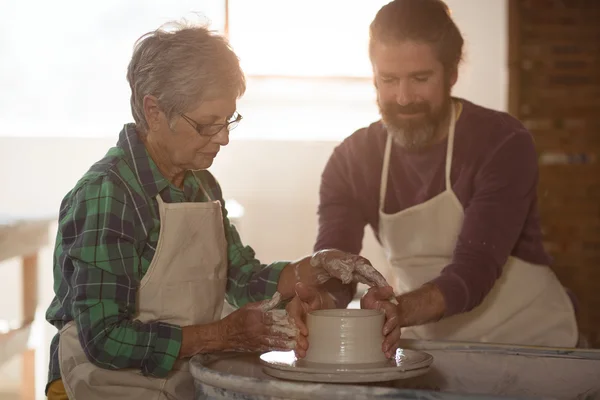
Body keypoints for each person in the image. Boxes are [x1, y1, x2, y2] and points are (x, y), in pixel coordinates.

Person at [44, 22, 390, 400]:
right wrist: (223, 335)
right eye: (208, 124)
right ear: (154, 111)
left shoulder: (201, 186)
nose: (223, 137)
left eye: (229, 120)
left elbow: (242, 279)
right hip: (95, 386)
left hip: (176, 384)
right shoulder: (108, 195)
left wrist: (317, 267)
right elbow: (105, 339)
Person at [316, 0, 579, 348]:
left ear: (452, 73)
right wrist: (321, 301)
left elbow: (475, 267)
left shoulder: (502, 143)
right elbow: (337, 264)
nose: (404, 97)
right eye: (389, 79)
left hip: (530, 342)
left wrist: (400, 308)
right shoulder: (351, 160)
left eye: (420, 79)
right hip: (433, 347)